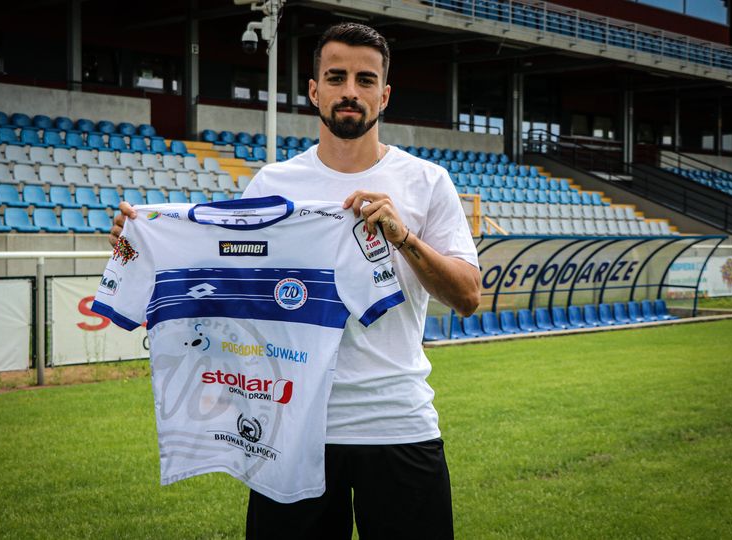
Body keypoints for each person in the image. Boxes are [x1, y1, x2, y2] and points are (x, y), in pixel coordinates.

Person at [110, 22, 480, 540]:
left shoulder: (426, 181)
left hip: (397, 421)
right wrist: (142, 243)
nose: (350, 91)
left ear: (384, 95)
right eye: (336, 77)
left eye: (365, 80)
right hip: (289, 426)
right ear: (313, 90)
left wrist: (404, 239)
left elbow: (467, 296)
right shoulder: (273, 184)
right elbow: (223, 289)